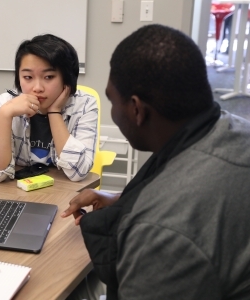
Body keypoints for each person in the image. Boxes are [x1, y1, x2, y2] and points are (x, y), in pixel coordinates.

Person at [62, 24, 250, 299]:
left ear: (136, 109)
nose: (112, 111)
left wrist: (147, 214)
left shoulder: (160, 232)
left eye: (112, 101)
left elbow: (175, 219)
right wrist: (124, 201)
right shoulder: (234, 130)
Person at [0, 34, 98, 183]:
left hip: (63, 192)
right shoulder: (6, 103)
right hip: (17, 193)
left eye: (49, 77)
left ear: (67, 77)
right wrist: (5, 114)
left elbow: (78, 172)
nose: (37, 88)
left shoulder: (84, 104)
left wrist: (54, 111)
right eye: (28, 77)